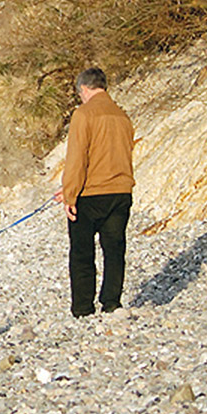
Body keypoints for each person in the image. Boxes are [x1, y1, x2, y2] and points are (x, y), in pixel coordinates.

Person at [52, 67, 136, 317]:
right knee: (114, 250)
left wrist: (70, 193)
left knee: (82, 253)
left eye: (80, 93)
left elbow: (78, 158)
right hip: (121, 191)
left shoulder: (84, 114)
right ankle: (111, 302)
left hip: (90, 195)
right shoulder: (123, 116)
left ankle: (83, 308)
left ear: (85, 89)